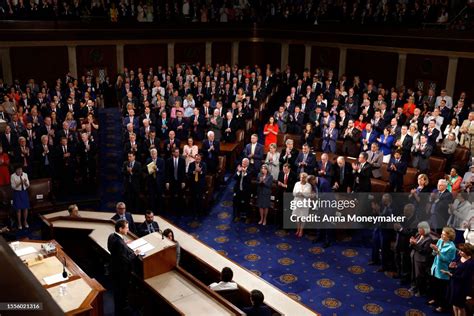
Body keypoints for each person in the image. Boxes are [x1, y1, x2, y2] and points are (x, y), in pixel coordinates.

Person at [107, 220, 139, 316]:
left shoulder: (112, 236)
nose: (128, 229)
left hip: (114, 269)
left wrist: (125, 244)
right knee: (122, 292)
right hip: (121, 273)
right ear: (120, 229)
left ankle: (120, 308)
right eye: (127, 227)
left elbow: (111, 248)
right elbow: (126, 260)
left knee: (117, 293)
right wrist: (135, 253)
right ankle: (123, 310)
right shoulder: (119, 243)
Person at [428, 227, 456, 312]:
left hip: (443, 271)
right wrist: (434, 250)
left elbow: (447, 260)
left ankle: (441, 306)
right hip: (435, 267)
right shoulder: (440, 240)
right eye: (442, 234)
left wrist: (438, 251)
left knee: (442, 290)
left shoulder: (452, 248)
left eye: (443, 234)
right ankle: (435, 300)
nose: (441, 235)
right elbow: (434, 253)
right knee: (434, 286)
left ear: (449, 236)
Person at [443, 243, 474, 316]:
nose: (459, 252)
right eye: (459, 250)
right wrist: (450, 267)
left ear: (467, 252)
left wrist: (450, 275)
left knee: (460, 306)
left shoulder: (471, 263)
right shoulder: (458, 257)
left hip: (462, 287)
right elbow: (453, 267)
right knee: (454, 303)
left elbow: (463, 278)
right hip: (453, 283)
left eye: (461, 251)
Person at [409, 221, 434, 297]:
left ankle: (420, 291)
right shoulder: (418, 235)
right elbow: (412, 246)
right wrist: (411, 242)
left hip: (421, 260)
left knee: (420, 276)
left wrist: (415, 244)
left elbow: (424, 251)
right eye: (418, 228)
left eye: (420, 228)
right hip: (414, 257)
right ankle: (414, 287)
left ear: (425, 229)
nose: (418, 230)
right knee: (414, 274)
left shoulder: (429, 239)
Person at [292, 173, 314, 238]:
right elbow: (294, 193)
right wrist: (302, 193)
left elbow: (307, 195)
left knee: (302, 217)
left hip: (304, 203)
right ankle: (298, 229)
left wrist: (300, 193)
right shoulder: (297, 183)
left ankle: (301, 230)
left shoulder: (308, 185)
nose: (301, 179)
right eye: (301, 177)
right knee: (297, 217)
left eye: (303, 177)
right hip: (297, 202)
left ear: (305, 178)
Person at [165, 148, 186, 212]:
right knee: (172, 196)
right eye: (176, 152)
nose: (177, 153)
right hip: (172, 181)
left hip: (179, 181)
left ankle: (180, 210)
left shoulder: (182, 160)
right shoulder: (169, 160)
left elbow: (183, 172)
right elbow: (167, 172)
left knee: (180, 196)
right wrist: (167, 182)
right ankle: (172, 209)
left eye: (178, 152)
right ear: (173, 153)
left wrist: (183, 181)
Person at [11, 165, 30, 230]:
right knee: (18, 209)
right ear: (15, 170)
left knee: (25, 208)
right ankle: (19, 223)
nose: (20, 171)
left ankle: (25, 221)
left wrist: (25, 183)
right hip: (17, 193)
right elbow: (13, 187)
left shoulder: (25, 174)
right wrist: (20, 183)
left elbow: (28, 185)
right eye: (18, 170)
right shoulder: (13, 176)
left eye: (21, 169)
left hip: (24, 192)